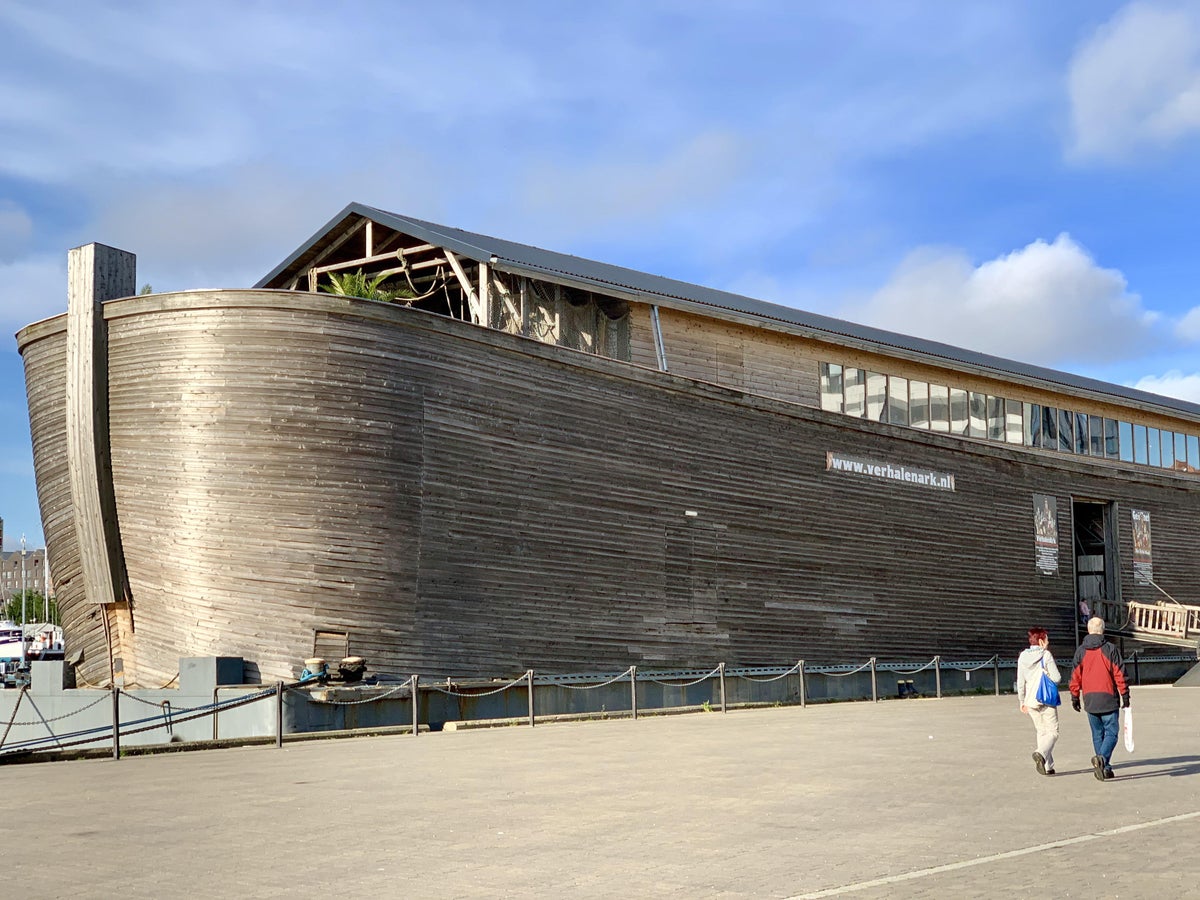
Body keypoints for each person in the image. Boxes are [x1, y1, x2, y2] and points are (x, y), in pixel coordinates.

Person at [1069, 617, 1131, 782]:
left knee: (1097, 734)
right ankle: (1102, 759)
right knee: (1112, 733)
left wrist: (1074, 696)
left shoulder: (1080, 651)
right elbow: (1119, 673)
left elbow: (1075, 676)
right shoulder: (1110, 649)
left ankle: (1105, 768)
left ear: (1089, 630)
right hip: (1108, 697)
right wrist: (1125, 694)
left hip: (1089, 698)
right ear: (1102, 630)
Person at [1016, 627, 1060, 776]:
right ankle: (1040, 753)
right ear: (1041, 641)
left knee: (1041, 731)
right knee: (1053, 732)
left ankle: (1048, 766)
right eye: (1046, 639)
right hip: (1045, 698)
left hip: (1030, 699)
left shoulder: (1022, 656)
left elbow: (1020, 681)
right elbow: (1057, 678)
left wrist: (1021, 700)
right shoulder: (1046, 655)